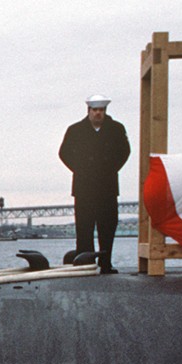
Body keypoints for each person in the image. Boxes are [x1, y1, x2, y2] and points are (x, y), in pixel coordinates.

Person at [58, 94, 130, 273]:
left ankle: (106, 263)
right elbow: (64, 153)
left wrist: (111, 169)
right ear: (88, 110)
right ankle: (85, 263)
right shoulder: (75, 130)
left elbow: (125, 152)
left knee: (107, 226)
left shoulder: (116, 129)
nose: (98, 113)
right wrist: (80, 169)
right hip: (84, 187)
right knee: (84, 227)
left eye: (101, 110)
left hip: (107, 186)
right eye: (95, 110)